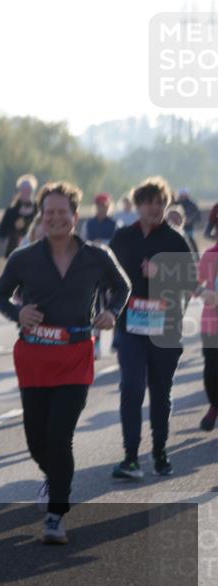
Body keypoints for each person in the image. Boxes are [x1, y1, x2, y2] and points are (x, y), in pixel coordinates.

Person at [0, 181, 130, 545]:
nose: (55, 218)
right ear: (42, 216)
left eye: (62, 212)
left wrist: (112, 312)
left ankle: (56, 515)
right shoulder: (24, 258)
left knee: (60, 434)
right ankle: (54, 476)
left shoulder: (96, 256)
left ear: (75, 215)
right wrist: (18, 312)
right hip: (34, 357)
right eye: (49, 213)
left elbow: (123, 287)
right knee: (36, 438)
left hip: (75, 355)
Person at [108, 176, 197, 479]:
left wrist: (163, 273)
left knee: (161, 392)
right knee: (131, 388)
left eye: (161, 202)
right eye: (149, 202)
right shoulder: (122, 238)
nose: (156, 208)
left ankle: (160, 452)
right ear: (137, 205)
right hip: (130, 327)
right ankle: (130, 456)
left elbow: (191, 281)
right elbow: (106, 277)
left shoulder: (174, 239)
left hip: (165, 329)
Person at [82, 193, 121, 358]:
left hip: (110, 271)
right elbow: (82, 244)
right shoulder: (88, 224)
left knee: (113, 307)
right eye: (99, 205)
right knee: (94, 309)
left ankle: (116, 341)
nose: (101, 208)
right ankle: (95, 343)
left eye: (104, 205)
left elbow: (119, 246)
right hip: (93, 271)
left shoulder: (115, 224)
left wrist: (104, 244)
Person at [197, 236, 218, 431]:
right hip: (212, 326)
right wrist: (204, 293)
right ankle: (214, 405)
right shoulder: (210, 256)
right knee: (212, 372)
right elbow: (193, 283)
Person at [0, 174, 39, 257]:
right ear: (19, 190)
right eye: (23, 189)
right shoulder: (11, 210)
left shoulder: (38, 209)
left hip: (35, 250)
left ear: (33, 190)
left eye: (29, 189)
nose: (26, 191)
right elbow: (1, 233)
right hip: (15, 251)